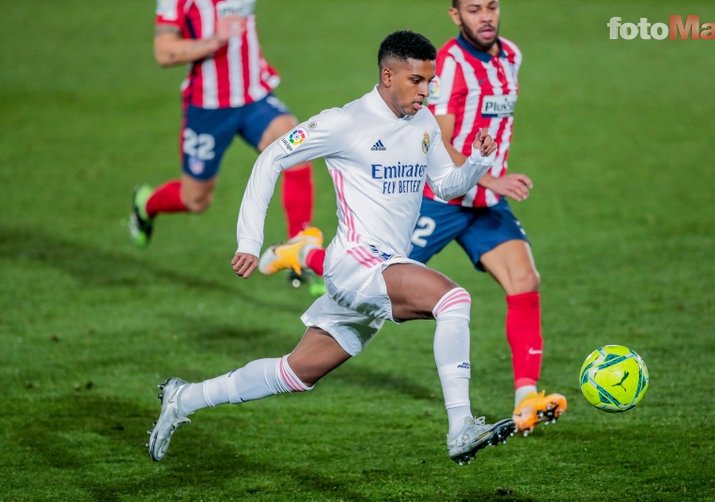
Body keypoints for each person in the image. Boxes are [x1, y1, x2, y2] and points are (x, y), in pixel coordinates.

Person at [148, 30, 516, 465]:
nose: (426, 90)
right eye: (416, 80)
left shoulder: (423, 124)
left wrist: (474, 161)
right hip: (358, 264)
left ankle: (183, 398)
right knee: (452, 299)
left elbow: (445, 184)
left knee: (295, 372)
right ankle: (461, 428)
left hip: (380, 268)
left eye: (429, 81)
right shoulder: (345, 122)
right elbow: (271, 159)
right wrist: (250, 239)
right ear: (387, 75)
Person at [258, 0, 567, 436]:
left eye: (492, 6)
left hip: (481, 202)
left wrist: (486, 180)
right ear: (455, 15)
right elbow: (436, 135)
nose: (486, 16)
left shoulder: (511, 57)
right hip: (435, 202)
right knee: (377, 284)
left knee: (524, 279)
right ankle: (307, 253)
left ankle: (526, 399)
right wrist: (491, 178)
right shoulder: (452, 65)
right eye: (474, 9)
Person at [129, 0, 320, 268]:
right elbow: (164, 52)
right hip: (208, 107)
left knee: (298, 152)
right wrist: (214, 40)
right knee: (195, 200)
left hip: (254, 97)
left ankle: (299, 252)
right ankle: (146, 205)